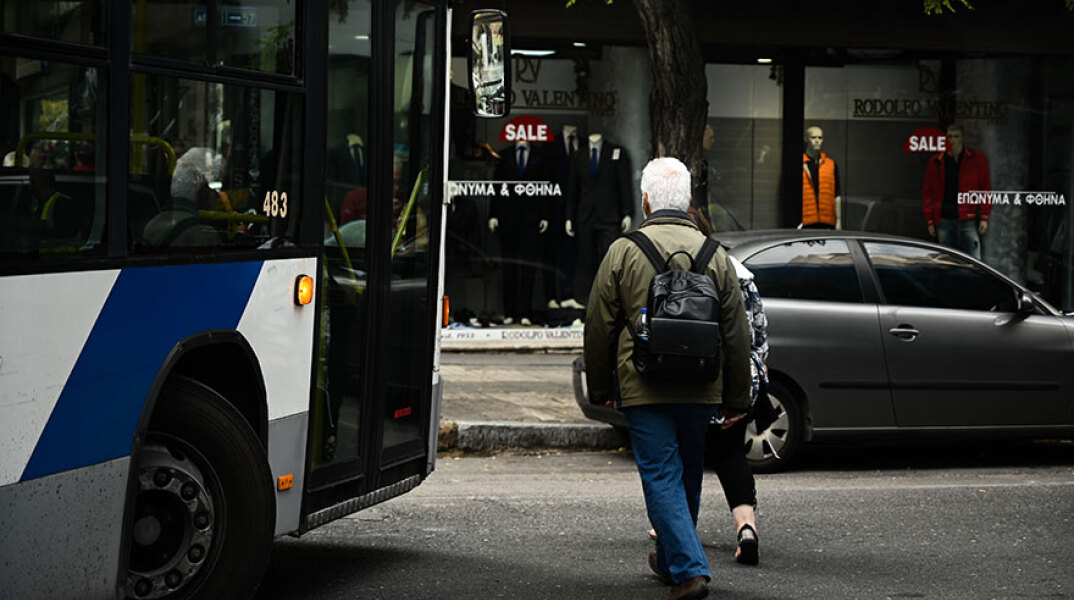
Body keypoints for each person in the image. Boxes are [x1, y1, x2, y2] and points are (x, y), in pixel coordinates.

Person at [585, 157, 751, 600]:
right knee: (688, 473)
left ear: (645, 201)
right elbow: (737, 332)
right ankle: (673, 559)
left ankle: (691, 571)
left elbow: (598, 323)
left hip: (644, 383)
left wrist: (600, 389)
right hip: (702, 384)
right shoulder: (716, 256)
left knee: (660, 473)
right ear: (690, 201)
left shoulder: (624, 250)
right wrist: (737, 398)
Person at [650, 207, 771, 567]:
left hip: (690, 382)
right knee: (730, 455)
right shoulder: (740, 272)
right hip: (732, 384)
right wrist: (750, 384)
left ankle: (672, 531)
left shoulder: (675, 270)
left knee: (681, 456)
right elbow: (759, 335)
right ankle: (746, 528)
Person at [922, 123, 990, 259]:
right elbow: (928, 191)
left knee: (973, 259)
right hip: (944, 218)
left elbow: (985, 188)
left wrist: (984, 216)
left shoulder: (976, 159)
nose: (952, 140)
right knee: (947, 260)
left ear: (962, 138)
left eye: (956, 136)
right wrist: (930, 219)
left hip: (967, 218)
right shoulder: (936, 162)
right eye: (949, 136)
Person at [801, 126, 841, 229]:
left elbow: (837, 194)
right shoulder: (801, 164)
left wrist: (839, 221)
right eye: (813, 138)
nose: (817, 141)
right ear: (806, 139)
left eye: (820, 138)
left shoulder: (830, 164)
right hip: (806, 222)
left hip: (827, 222)